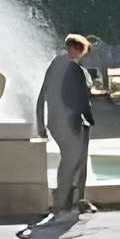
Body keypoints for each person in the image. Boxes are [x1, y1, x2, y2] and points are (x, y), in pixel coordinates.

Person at [36, 33, 96, 217]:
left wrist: (41, 123)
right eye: (78, 49)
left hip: (55, 121)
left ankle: (70, 200)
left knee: (71, 158)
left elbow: (43, 94)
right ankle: (63, 201)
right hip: (71, 122)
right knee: (74, 159)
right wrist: (89, 118)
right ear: (74, 48)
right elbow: (81, 99)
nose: (79, 53)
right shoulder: (74, 69)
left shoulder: (55, 65)